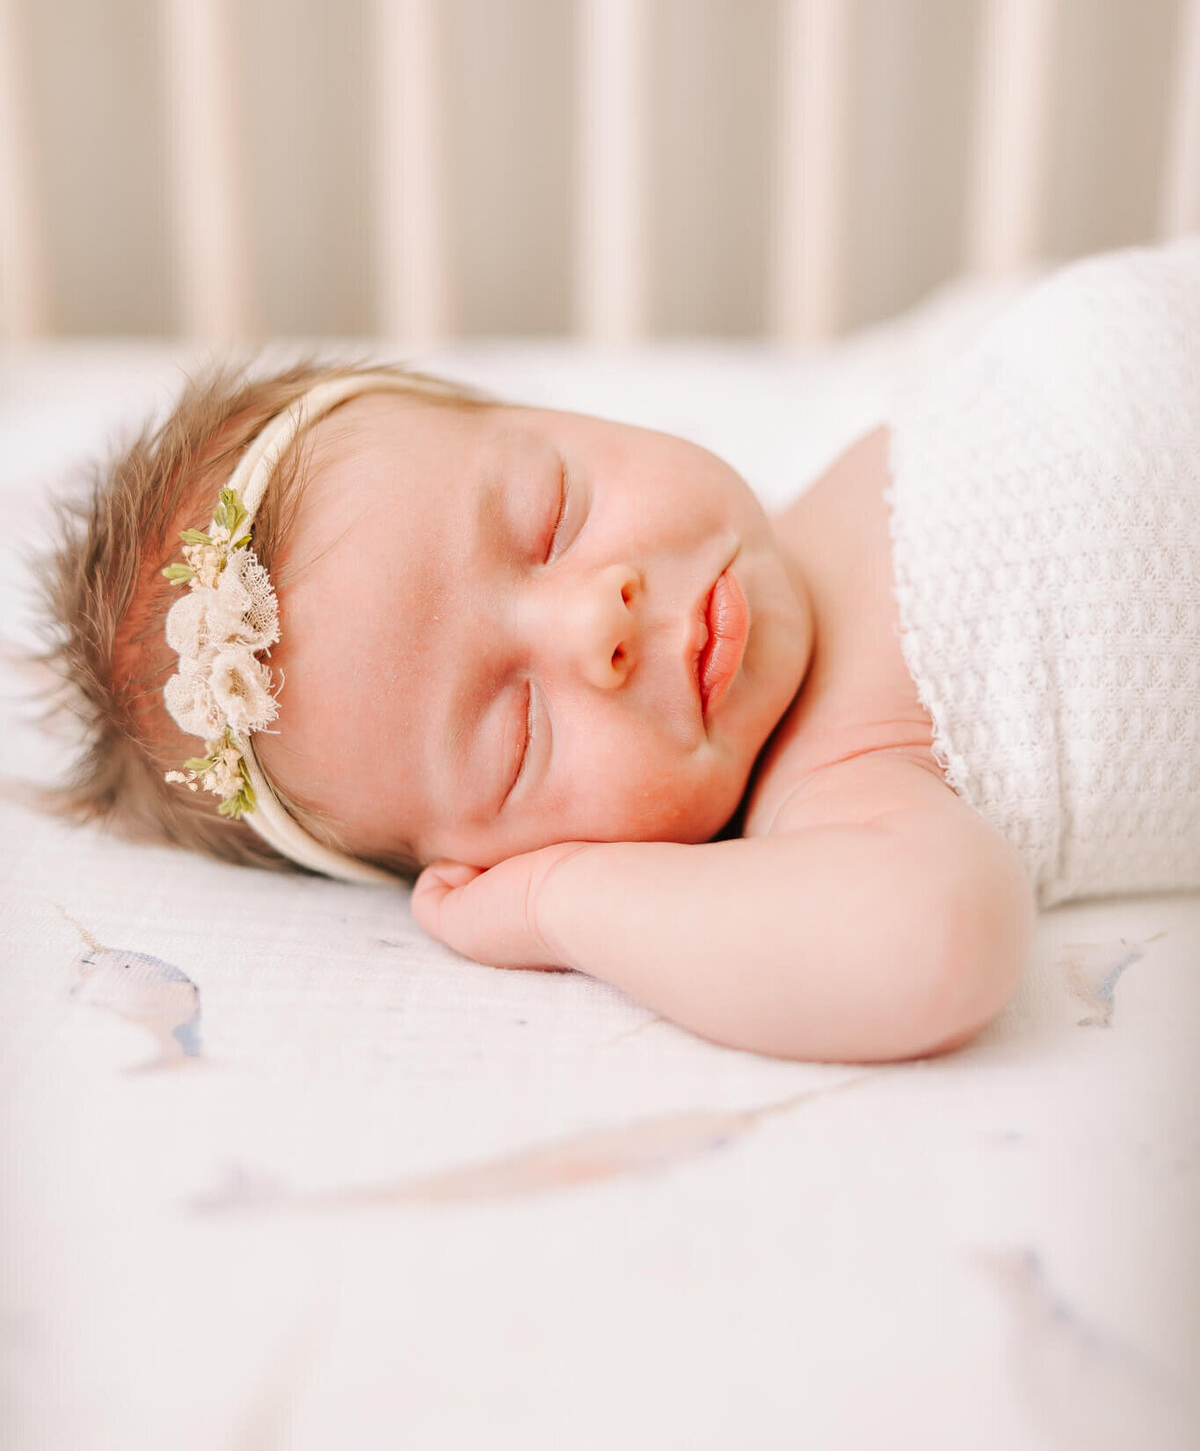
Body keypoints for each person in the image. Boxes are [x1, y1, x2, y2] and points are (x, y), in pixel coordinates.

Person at [36, 240, 1200, 1063]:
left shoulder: (829, 452)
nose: (593, 624)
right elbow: (940, 946)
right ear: (483, 864)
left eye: (550, 513)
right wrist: (562, 907)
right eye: (520, 730)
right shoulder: (846, 794)